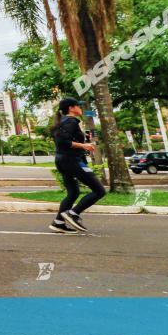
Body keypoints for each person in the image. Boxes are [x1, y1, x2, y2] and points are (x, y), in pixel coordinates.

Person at [49, 97, 106, 233]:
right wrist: (84, 145)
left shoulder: (65, 121)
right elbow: (62, 142)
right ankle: (73, 214)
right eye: (78, 106)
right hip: (71, 160)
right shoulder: (70, 121)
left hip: (63, 160)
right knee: (99, 191)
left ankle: (58, 222)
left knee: (73, 193)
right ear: (71, 108)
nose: (81, 108)